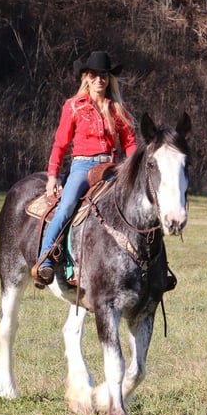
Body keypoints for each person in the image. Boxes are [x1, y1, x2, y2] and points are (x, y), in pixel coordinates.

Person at [32, 51, 138, 286]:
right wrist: (52, 176)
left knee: (133, 207)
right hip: (82, 166)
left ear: (109, 78)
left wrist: (134, 169)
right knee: (68, 204)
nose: (99, 79)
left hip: (111, 168)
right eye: (94, 74)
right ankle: (46, 259)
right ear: (86, 77)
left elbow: (130, 143)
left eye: (104, 74)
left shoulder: (118, 108)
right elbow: (60, 143)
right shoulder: (74, 106)